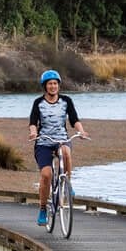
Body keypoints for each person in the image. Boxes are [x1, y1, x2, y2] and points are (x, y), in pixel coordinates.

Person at [27, 69, 88, 226]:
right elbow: (33, 122)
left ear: (59, 85)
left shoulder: (66, 101)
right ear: (45, 86)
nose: (53, 86)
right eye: (50, 84)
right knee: (46, 175)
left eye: (55, 83)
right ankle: (42, 209)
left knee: (66, 151)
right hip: (43, 142)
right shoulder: (38, 103)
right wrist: (33, 133)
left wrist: (81, 131)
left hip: (61, 139)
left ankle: (67, 183)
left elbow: (74, 119)